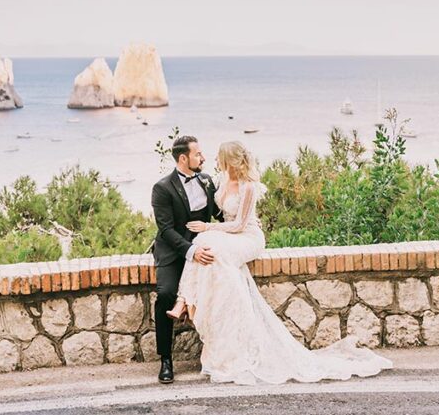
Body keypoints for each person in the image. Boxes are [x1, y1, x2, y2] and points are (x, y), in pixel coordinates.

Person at [167, 140, 392, 385]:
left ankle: (187, 303)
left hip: (248, 236)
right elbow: (220, 212)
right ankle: (185, 302)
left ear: (228, 159)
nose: (213, 159)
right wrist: (207, 228)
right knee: (202, 244)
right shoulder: (219, 180)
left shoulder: (249, 187)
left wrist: (209, 227)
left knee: (207, 243)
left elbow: (241, 224)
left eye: (219, 156)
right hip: (228, 234)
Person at [150, 135, 222, 384]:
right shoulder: (162, 188)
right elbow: (166, 230)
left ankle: (217, 354)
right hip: (174, 252)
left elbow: (218, 214)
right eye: (197, 154)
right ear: (183, 158)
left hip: (203, 249)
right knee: (167, 294)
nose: (202, 157)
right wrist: (191, 251)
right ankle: (166, 359)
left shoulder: (206, 181)